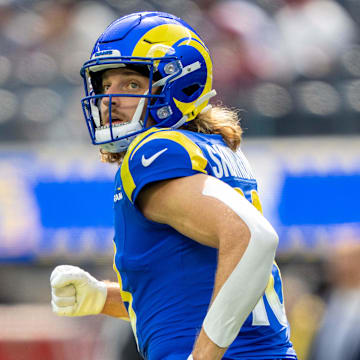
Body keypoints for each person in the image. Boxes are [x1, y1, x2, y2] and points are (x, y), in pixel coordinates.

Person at [50, 11, 297, 360]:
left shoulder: (154, 150)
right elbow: (194, 290)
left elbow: (254, 237)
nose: (110, 99)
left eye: (131, 84)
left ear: (179, 86)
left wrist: (202, 356)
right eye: (106, 85)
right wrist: (101, 297)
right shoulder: (212, 150)